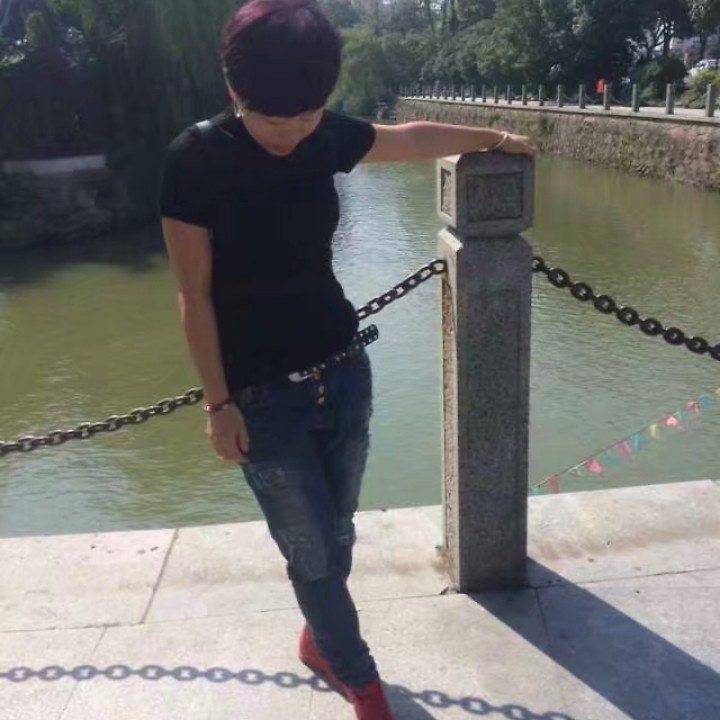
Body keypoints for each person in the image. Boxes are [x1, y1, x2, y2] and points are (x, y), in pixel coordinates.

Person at [159, 1, 537, 717]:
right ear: (235, 91)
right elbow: (193, 296)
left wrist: (496, 137)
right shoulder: (195, 159)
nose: (293, 133)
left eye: (307, 117)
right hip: (260, 398)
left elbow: (407, 137)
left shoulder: (322, 134)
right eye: (275, 121)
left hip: (343, 371)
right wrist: (217, 404)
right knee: (311, 551)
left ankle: (318, 638)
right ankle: (360, 680)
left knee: (335, 532)